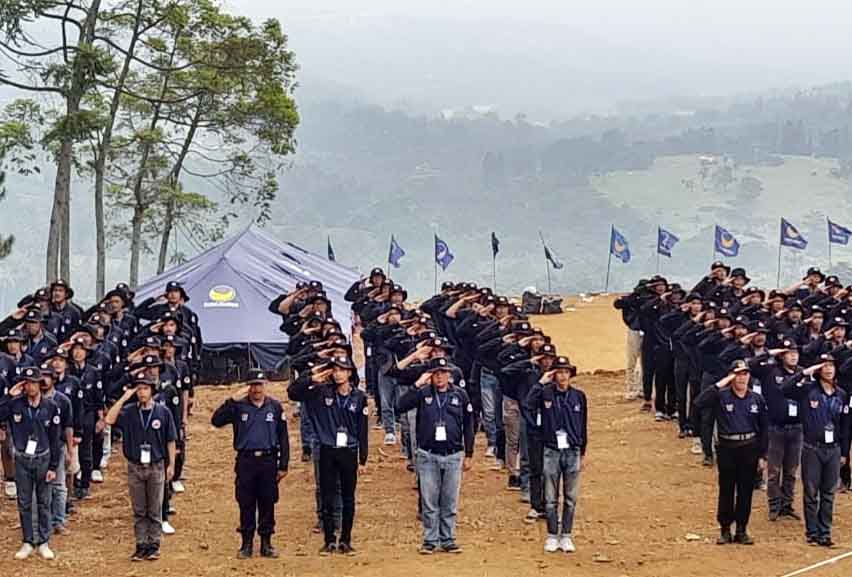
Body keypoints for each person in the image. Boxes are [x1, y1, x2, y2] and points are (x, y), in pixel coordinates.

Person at [288, 355, 368, 556]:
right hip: (327, 449)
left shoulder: (359, 397)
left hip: (349, 450)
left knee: (348, 497)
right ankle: (329, 540)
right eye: (335, 370)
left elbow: (362, 429)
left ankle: (346, 540)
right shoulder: (321, 392)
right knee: (327, 495)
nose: (338, 374)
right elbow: (293, 392)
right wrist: (313, 376)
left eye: (342, 370)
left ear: (349, 372)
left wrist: (363, 458)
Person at [397, 357, 474, 554]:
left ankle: (448, 539)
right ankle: (430, 540)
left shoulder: (460, 395)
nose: (439, 377)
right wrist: (417, 385)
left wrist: (469, 453)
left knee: (449, 500)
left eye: (443, 373)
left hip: (453, 454)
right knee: (429, 501)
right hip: (427, 455)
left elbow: (468, 424)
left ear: (449, 375)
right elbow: (400, 406)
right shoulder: (423, 393)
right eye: (435, 373)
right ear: (430, 376)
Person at [211, 371, 289, 559]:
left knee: (267, 502)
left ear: (265, 385)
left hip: (268, 460)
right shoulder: (239, 407)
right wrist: (231, 400)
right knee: (246, 502)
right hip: (246, 461)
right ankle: (246, 543)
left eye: (260, 384)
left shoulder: (275, 407)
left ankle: (266, 543)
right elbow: (216, 421)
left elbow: (283, 438)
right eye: (253, 385)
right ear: (247, 387)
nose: (256, 389)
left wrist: (283, 465)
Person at [695, 359, 768, 545]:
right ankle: (725, 529)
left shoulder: (756, 399)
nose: (742, 378)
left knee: (746, 491)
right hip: (727, 447)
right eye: (738, 374)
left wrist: (763, 455)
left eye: (745, 374)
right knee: (727, 490)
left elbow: (764, 429)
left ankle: (742, 529)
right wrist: (721, 383)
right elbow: (699, 402)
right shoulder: (721, 396)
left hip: (749, 447)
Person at [105, 378, 177, 562]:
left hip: (156, 465)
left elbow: (171, 440)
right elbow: (109, 419)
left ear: (152, 390)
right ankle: (141, 544)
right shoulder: (130, 412)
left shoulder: (163, 412)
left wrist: (171, 465)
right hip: (135, 465)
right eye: (139, 389)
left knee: (154, 508)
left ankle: (154, 544)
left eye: (145, 388)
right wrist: (124, 397)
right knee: (139, 509)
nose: (142, 392)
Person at [782, 354, 849, 547]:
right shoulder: (808, 390)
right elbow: (785, 389)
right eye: (824, 366)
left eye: (831, 366)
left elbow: (845, 425)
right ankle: (812, 532)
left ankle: (825, 533)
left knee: (829, 493)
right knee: (811, 493)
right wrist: (804, 373)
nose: (828, 369)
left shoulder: (841, 394)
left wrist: (844, 452)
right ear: (818, 370)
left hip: (833, 449)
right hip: (812, 448)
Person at [525, 356, 587, 554]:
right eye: (559, 372)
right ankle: (552, 535)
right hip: (551, 450)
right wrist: (540, 383)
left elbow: (583, 424)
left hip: (572, 451)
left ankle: (566, 535)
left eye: (566, 372)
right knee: (551, 498)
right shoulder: (545, 394)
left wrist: (582, 450)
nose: (563, 376)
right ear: (553, 375)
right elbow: (527, 405)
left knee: (570, 497)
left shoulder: (578, 396)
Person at [0, 366, 61, 560]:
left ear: (39, 384)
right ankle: (28, 541)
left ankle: (44, 541)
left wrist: (53, 466)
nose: (30, 387)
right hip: (22, 459)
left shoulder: (50, 406)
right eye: (27, 383)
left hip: (43, 457)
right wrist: (8, 396)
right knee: (24, 502)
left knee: (44, 502)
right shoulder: (15, 404)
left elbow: (55, 438)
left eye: (34, 383)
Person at [38, 364, 74, 534]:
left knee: (59, 486)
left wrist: (70, 450)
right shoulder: (31, 399)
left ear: (53, 379)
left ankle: (58, 521)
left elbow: (68, 426)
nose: (44, 380)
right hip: (37, 449)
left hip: (57, 447)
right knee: (39, 486)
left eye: (47, 376)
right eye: (41, 376)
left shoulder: (63, 400)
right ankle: (41, 521)